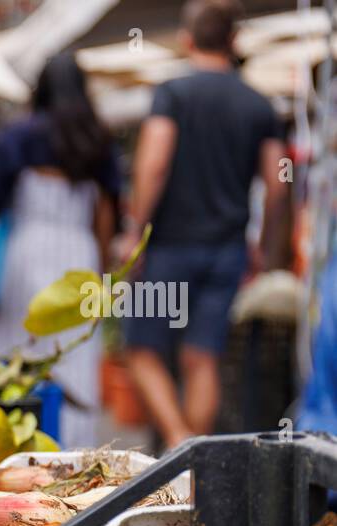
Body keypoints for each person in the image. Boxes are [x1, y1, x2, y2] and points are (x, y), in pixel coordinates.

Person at [119, 0, 287, 449]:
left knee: (140, 347)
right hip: (227, 248)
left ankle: (176, 441)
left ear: (186, 39)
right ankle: (194, 459)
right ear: (233, 41)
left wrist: (135, 233)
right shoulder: (258, 104)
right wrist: (265, 245)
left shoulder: (173, 94)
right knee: (202, 356)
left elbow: (153, 165)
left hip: (169, 246)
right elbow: (278, 183)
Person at [0, 53, 121, 449]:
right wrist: (103, 268)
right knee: (75, 354)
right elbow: (107, 210)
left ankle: (18, 442)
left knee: (18, 349)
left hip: (26, 251)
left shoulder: (16, 137)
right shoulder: (98, 140)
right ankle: (73, 450)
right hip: (80, 255)